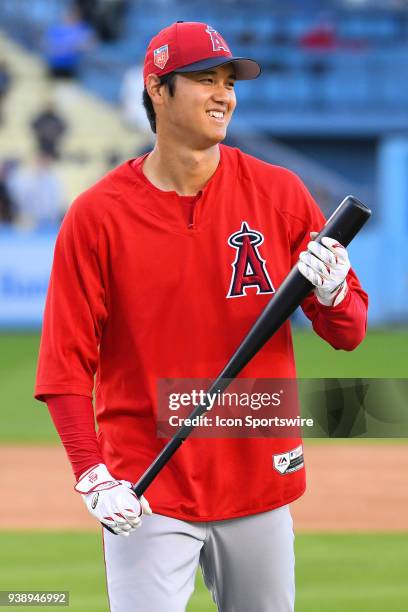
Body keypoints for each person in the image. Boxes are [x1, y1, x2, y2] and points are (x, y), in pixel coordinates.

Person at [35, 21, 368, 612]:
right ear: (157, 91)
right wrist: (92, 475)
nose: (224, 94)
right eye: (203, 80)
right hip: (147, 488)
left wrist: (336, 290)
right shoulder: (97, 216)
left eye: (228, 82)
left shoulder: (281, 194)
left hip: (258, 478)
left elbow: (348, 333)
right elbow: (64, 367)